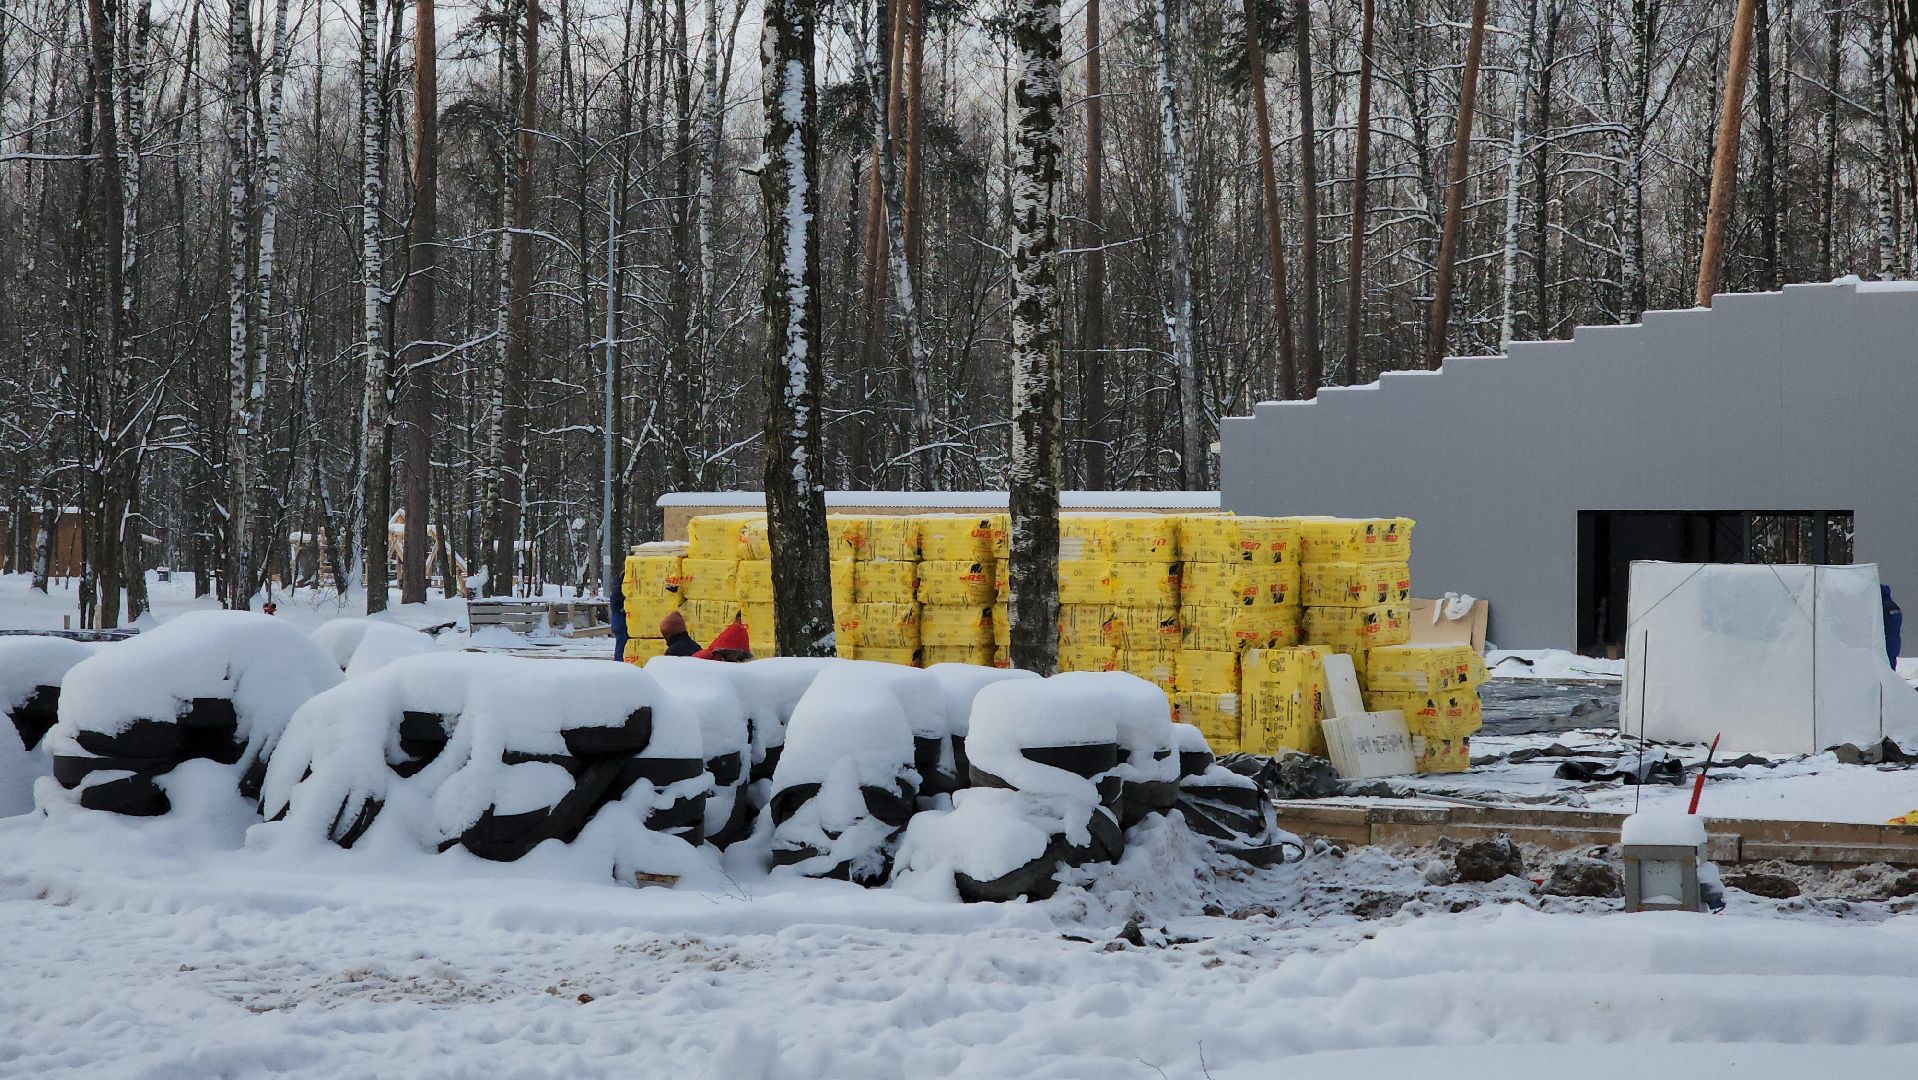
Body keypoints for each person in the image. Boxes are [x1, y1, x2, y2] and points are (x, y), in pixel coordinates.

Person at [1884, 585, 1903, 670]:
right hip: (1895, 640)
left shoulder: (1883, 606)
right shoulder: (1895, 606)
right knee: (1891, 664)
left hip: (1886, 641)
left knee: (1885, 666)